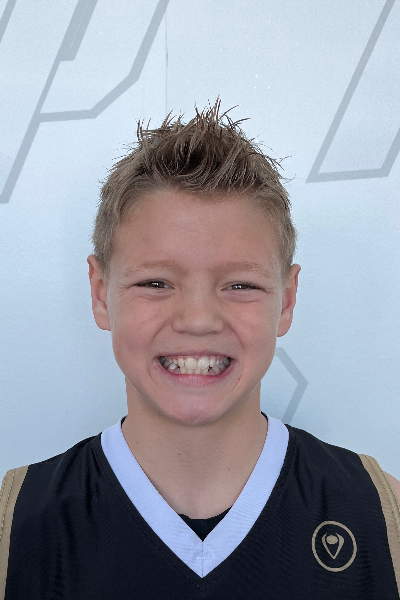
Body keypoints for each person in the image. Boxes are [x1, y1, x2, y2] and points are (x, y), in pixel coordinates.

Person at [1, 101, 399, 599]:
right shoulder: (14, 530)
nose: (197, 319)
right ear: (101, 294)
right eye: (155, 282)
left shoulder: (383, 520)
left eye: (240, 285)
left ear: (286, 300)